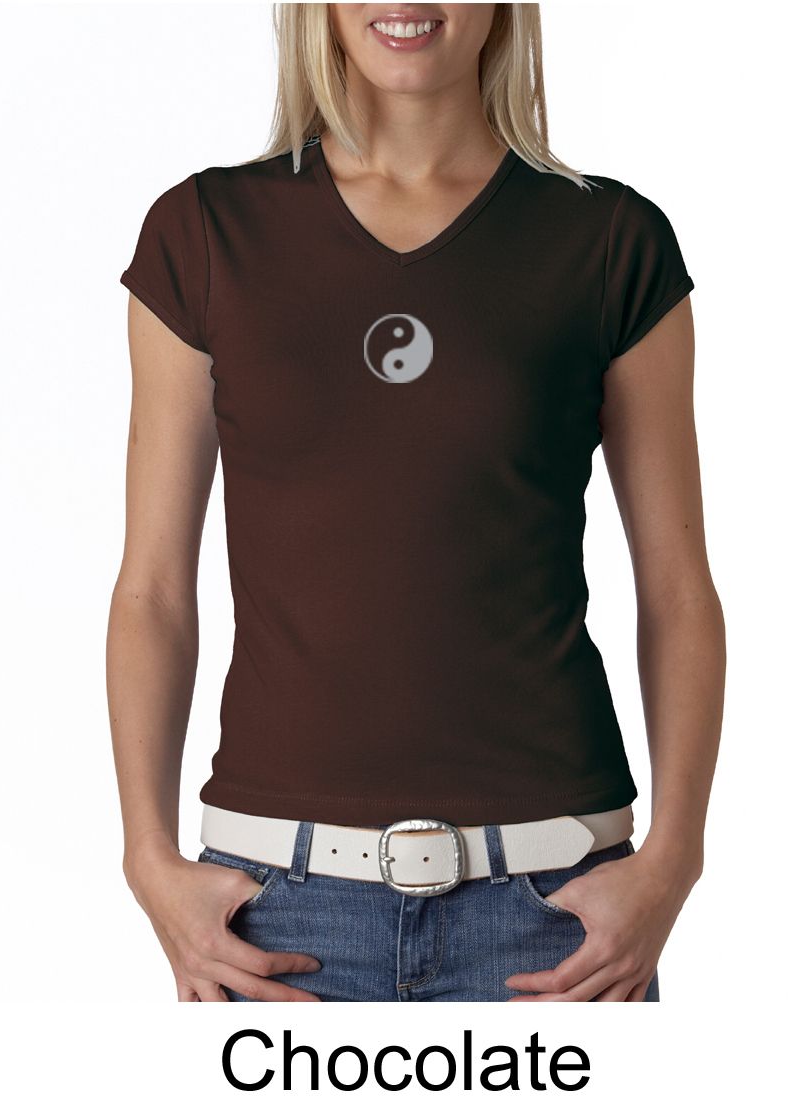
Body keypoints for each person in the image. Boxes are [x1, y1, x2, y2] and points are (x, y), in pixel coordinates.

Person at [108, 3, 724, 1003]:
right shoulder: (206, 233)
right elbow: (152, 591)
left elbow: (679, 588)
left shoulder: (609, 240)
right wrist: (147, 860)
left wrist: (674, 862)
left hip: (556, 915)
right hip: (274, 913)